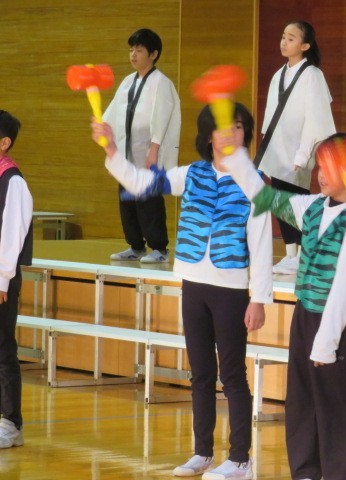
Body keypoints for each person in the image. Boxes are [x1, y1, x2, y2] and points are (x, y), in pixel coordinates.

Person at [90, 103, 272, 479]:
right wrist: (112, 150)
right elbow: (141, 183)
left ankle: (240, 459)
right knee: (200, 373)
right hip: (193, 283)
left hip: (231, 288)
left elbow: (262, 242)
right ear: (209, 136)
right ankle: (202, 452)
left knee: (232, 375)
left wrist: (258, 298)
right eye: (225, 127)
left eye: (239, 127)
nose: (232, 133)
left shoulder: (255, 181)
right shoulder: (191, 173)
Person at [224, 133, 346, 480]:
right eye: (320, 166)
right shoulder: (313, 206)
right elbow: (265, 196)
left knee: (334, 403)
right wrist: (236, 157)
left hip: (337, 322)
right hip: (305, 314)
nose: (320, 174)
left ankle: (338, 474)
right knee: (301, 399)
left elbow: (344, 290)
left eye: (330, 167)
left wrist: (326, 342)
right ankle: (305, 472)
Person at [257, 20, 336, 275]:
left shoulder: (312, 75)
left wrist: (303, 154)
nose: (284, 42)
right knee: (280, 202)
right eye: (283, 36)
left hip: (298, 150)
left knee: (295, 202)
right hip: (278, 149)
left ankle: (301, 254)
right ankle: (290, 254)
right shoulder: (278, 74)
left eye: (291, 38)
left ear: (305, 45)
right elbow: (271, 114)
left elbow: (316, 117)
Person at [103, 28, 181, 264]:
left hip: (148, 153)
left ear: (153, 54)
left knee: (149, 201)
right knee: (127, 202)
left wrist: (153, 151)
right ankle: (136, 246)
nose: (133, 55)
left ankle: (159, 248)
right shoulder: (128, 82)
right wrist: (111, 148)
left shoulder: (162, 83)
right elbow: (114, 115)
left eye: (139, 50)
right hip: (128, 153)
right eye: (131, 50)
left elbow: (162, 119)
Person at [0, 110, 33, 449]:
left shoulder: (13, 181)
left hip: (1, 279)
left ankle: (11, 423)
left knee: (2, 349)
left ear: (4, 142)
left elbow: (13, 233)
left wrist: (2, 279)